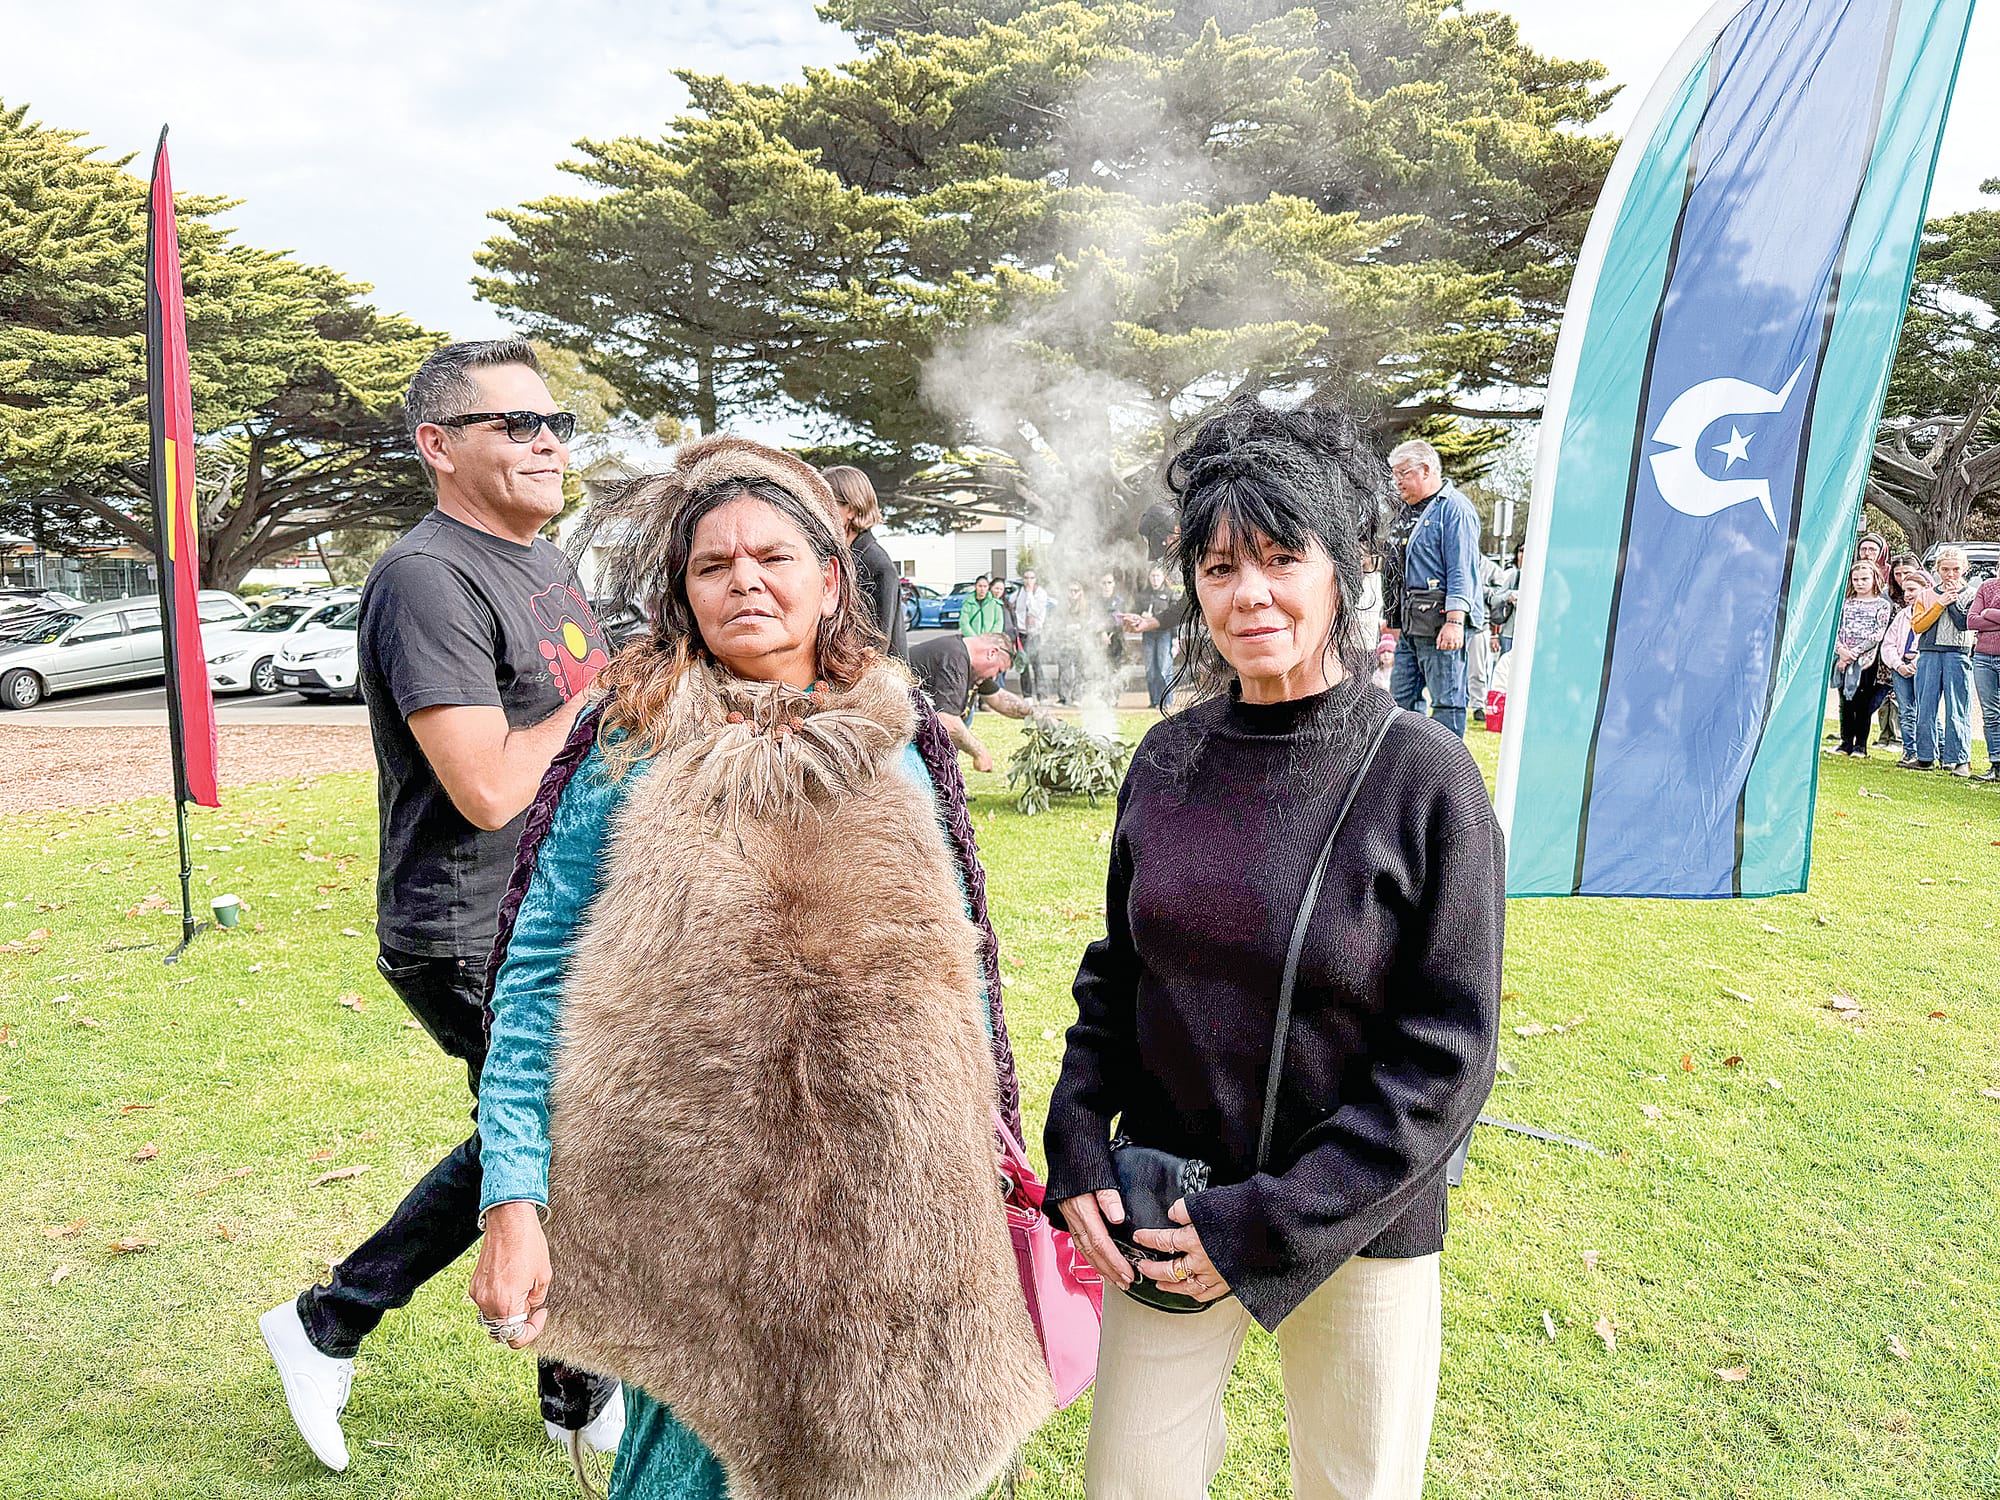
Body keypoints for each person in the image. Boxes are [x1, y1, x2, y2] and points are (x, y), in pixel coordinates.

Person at [469, 435, 1051, 1500]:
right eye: (713, 565)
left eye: (773, 558)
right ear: (681, 595)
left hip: (897, 1214)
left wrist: (993, 1152)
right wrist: (511, 1199)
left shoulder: (899, 735)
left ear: (830, 578)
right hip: (690, 1222)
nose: (745, 580)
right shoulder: (627, 746)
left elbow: (962, 972)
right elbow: (534, 978)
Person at [1045, 397, 1503, 1500]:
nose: (1247, 594)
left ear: (1343, 566)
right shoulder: (1167, 758)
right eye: (1217, 568)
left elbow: (1445, 1057)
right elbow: (1119, 970)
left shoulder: (1423, 776)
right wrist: (1073, 1133)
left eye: (1278, 559)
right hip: (1167, 1201)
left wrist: (1269, 1222)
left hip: (1354, 1219)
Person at [259, 339, 619, 1472]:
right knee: (551, 1136)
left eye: (553, 419)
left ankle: (575, 1389)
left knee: (558, 1141)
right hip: (469, 926)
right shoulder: (428, 579)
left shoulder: (542, 560)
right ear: (437, 445)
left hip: (558, 911)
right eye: (515, 423)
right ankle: (331, 1322)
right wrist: (614, 689)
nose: (548, 439)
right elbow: (489, 785)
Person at [1386, 440, 1485, 736]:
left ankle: (1449, 773)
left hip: (1442, 623)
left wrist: (1455, 621)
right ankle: (1410, 767)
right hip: (1411, 624)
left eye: (1403, 473)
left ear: (1426, 470)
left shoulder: (1455, 510)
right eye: (1395, 474)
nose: (1397, 481)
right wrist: (1393, 620)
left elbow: (1462, 569)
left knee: (1447, 704)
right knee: (1400, 701)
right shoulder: (1405, 512)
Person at [909, 631, 1034, 771]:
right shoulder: (953, 659)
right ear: (992, 653)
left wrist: (1035, 715)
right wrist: (979, 752)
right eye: (998, 671)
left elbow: (999, 698)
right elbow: (946, 721)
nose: (994, 678)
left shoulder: (967, 662)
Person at [822, 464, 907, 661]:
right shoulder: (839, 556)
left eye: (827, 503)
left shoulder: (878, 566)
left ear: (851, 509)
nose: (819, 511)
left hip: (877, 683)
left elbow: (877, 647)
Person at [1907, 547, 1976, 775]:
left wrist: (1952, 602)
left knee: (1957, 706)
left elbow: (1964, 623)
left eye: (1956, 569)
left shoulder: (1972, 594)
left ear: (1965, 569)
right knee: (1925, 706)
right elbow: (1918, 626)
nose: (1950, 574)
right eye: (1945, 569)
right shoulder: (1926, 595)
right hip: (1928, 652)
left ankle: (1959, 759)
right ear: (1937, 569)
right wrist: (1940, 603)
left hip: (1958, 653)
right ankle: (1925, 756)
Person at [1830, 560, 1892, 757]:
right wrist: (1841, 650)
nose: (1860, 583)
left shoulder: (1882, 605)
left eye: (1864, 579)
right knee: (1845, 700)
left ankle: (1860, 745)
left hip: (1866, 660)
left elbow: (1877, 633)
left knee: (1862, 702)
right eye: (1855, 579)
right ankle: (1845, 742)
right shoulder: (1845, 603)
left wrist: (1855, 652)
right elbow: (1837, 628)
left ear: (1874, 579)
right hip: (1843, 658)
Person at [1122, 563, 1181, 710]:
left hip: (1164, 634)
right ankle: (1154, 700)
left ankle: (1166, 701)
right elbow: (1135, 614)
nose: (1155, 579)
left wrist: (1175, 639)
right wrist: (1140, 616)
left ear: (1163, 577)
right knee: (1150, 669)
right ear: (1149, 578)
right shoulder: (1143, 595)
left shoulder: (1169, 594)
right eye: (1152, 576)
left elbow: (1174, 618)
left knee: (1164, 667)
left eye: (1158, 576)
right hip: (1148, 635)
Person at [1884, 555, 1924, 767]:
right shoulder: (1902, 616)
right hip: (1900, 666)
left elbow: (1926, 643)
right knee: (1906, 710)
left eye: (1912, 591)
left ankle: (1932, 750)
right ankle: (1910, 751)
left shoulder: (1929, 614)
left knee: (1925, 710)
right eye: (1905, 590)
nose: (1906, 595)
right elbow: (1888, 643)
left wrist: (1915, 663)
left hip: (1919, 666)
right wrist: (1898, 664)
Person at [1967, 564, 2000, 782]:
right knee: (1990, 713)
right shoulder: (1987, 587)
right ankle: (1996, 764)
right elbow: (1971, 620)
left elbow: (1980, 618)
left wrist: (1988, 613)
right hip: (1983, 657)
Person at [1014, 567, 1051, 699]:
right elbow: (1015, 609)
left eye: (1031, 578)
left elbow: (1034, 611)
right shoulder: (1019, 593)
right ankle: (1027, 696)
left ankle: (1042, 696)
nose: (1028, 581)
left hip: (1035, 633)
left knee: (1037, 665)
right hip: (1022, 634)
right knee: (1023, 666)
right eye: (1026, 578)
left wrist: (1029, 594)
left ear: (1036, 579)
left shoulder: (1040, 593)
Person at [1487, 542, 1525, 654]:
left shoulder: (1549, 578)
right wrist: (1509, 595)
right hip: (1509, 635)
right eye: (1521, 550)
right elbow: (1494, 600)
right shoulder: (1514, 576)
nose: (1522, 555)